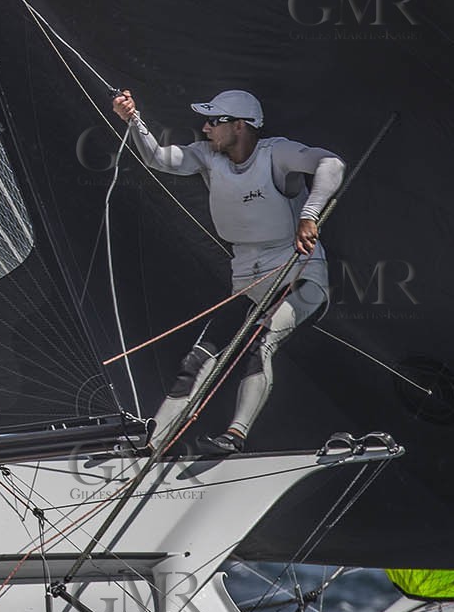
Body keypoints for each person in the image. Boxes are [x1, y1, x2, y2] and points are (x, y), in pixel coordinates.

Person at [111, 89, 345, 456]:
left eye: (213, 122)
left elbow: (332, 164)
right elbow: (159, 159)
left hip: (298, 273)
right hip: (248, 279)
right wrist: (132, 119)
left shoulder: (276, 153)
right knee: (196, 359)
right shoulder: (208, 156)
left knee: (261, 342)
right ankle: (153, 443)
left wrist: (310, 214)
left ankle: (234, 436)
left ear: (240, 125)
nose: (204, 129)